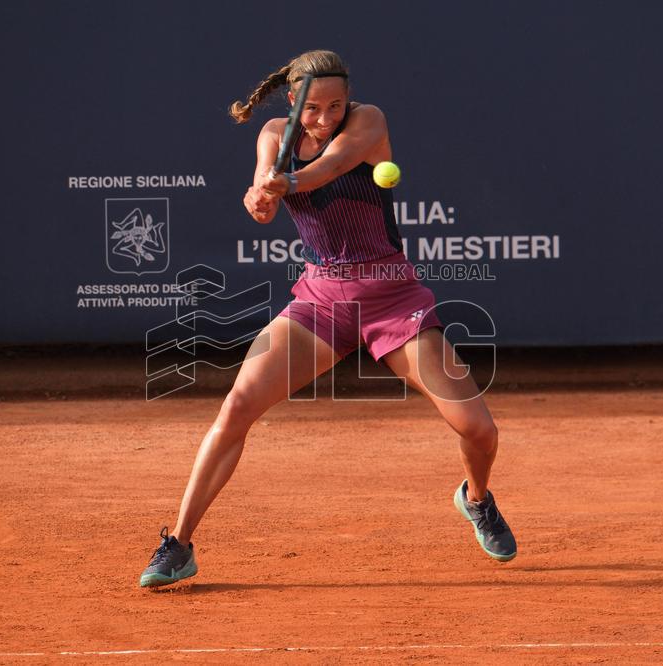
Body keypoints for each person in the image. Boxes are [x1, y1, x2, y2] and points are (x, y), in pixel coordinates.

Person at [139, 50, 515, 588]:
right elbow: (264, 197)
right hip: (320, 299)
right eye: (312, 108)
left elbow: (331, 167)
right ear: (292, 102)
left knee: (478, 429)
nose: (324, 117)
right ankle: (178, 543)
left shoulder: (369, 121)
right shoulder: (273, 134)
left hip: (392, 298)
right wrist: (261, 199)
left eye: (335, 105)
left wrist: (288, 184)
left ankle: (475, 498)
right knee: (238, 405)